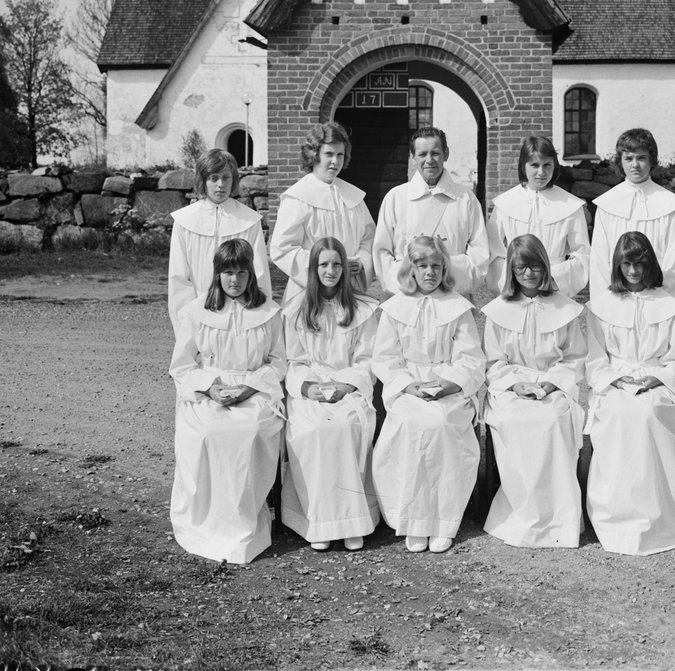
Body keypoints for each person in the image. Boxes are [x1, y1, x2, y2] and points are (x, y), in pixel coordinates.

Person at [584, 231, 675, 555]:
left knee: (650, 412)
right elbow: (596, 362)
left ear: (649, 264)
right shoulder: (601, 308)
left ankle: (661, 516)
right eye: (627, 264)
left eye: (640, 263)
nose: (633, 271)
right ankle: (621, 517)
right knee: (621, 413)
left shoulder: (667, 307)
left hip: (658, 381)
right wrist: (617, 381)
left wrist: (657, 378)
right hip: (616, 383)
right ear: (617, 265)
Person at [168, 239, 286, 564]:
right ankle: (208, 519)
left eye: (241, 273)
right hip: (210, 388)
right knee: (207, 431)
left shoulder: (269, 313)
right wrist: (210, 388)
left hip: (254, 388)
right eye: (227, 273)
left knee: (250, 431)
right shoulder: (195, 312)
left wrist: (249, 388)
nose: (234, 280)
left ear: (252, 275)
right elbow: (182, 365)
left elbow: (277, 362)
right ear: (217, 275)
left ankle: (243, 517)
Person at [371, 235, 484, 553]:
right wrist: (408, 386)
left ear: (444, 268)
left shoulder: (457, 308)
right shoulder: (395, 309)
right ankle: (414, 520)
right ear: (411, 269)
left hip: (449, 388)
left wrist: (448, 384)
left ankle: (443, 520)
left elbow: (471, 359)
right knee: (410, 424)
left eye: (436, 265)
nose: (430, 272)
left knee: (444, 424)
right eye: (423, 266)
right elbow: (385, 359)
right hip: (408, 388)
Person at [481, 234, 587, 548]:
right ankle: (522, 513)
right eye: (521, 268)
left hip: (553, 384)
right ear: (511, 272)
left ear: (545, 267)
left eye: (535, 266)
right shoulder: (499, 311)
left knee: (554, 419)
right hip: (511, 387)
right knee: (515, 420)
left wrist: (553, 382)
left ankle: (558, 519)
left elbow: (574, 356)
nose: (529, 274)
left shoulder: (563, 309)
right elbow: (493, 360)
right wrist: (513, 384)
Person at [282, 236, 381, 552]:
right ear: (313, 268)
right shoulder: (296, 310)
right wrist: (309, 388)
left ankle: (352, 521)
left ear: (345, 268)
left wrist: (346, 386)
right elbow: (293, 361)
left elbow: (368, 359)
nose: (330, 270)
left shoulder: (363, 310)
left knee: (344, 426)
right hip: (310, 389)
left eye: (337, 264)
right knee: (314, 428)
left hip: (349, 389)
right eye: (323, 264)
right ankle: (318, 520)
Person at [373, 127, 489, 298]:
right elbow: (381, 250)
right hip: (407, 295)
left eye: (435, 153)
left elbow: (480, 250)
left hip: (453, 294)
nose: (429, 160)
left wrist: (452, 279)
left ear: (446, 154)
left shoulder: (465, 198)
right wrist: (403, 282)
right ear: (412, 157)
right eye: (422, 154)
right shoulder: (396, 197)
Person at [168, 148, 271, 334]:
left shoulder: (248, 221)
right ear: (203, 181)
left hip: (240, 314)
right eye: (213, 178)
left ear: (233, 180)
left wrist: (255, 319)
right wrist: (185, 323)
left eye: (226, 178)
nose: (220, 184)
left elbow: (260, 274)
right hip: (198, 310)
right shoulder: (185, 221)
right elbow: (178, 279)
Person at [271, 122, 375, 306]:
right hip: (309, 293)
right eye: (329, 154)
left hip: (349, 290)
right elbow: (282, 248)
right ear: (314, 154)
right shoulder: (298, 197)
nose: (336, 161)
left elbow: (369, 238)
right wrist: (327, 267)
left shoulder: (354, 197)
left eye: (340, 154)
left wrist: (360, 262)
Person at [486, 135, 590, 297]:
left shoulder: (570, 205)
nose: (541, 172)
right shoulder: (506, 203)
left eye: (547, 165)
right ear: (523, 166)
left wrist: (553, 278)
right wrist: (511, 283)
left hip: (554, 288)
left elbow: (582, 254)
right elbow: (494, 251)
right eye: (535, 165)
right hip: (516, 285)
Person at [589, 128, 675, 300]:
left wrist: (662, 300)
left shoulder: (668, 204)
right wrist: (607, 299)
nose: (635, 165)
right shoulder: (607, 204)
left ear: (651, 160)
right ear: (621, 161)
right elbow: (599, 260)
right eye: (628, 158)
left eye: (641, 158)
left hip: (656, 295)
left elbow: (674, 260)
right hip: (616, 295)